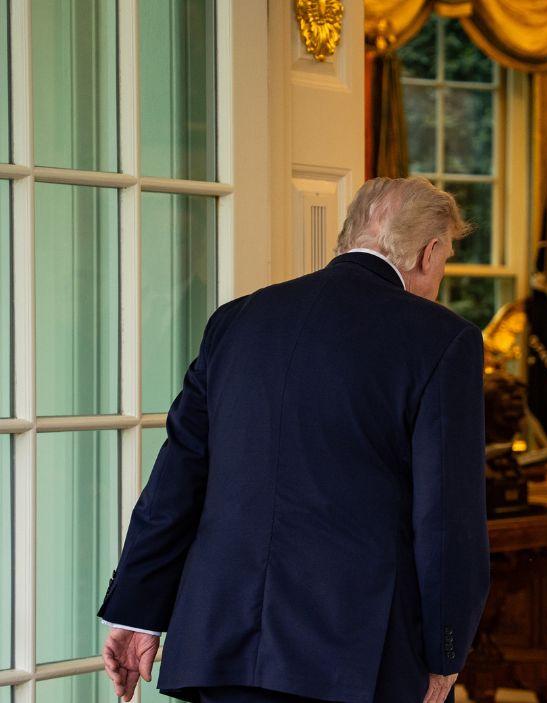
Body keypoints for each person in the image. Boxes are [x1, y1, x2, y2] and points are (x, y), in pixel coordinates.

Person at [97, 177, 491, 703]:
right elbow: (446, 520)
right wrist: (445, 655)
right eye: (445, 263)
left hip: (221, 647)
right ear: (430, 251)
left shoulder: (236, 319)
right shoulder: (443, 338)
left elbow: (177, 474)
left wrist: (137, 612)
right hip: (354, 658)